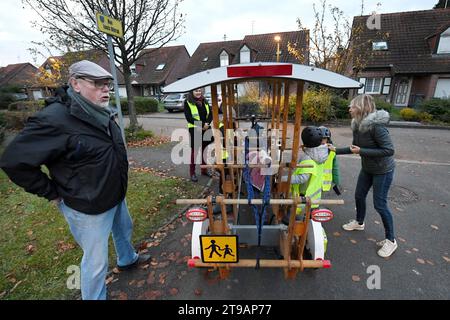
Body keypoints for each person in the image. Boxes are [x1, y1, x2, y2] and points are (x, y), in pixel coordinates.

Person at [0, 60, 150, 300]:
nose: (106, 90)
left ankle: (127, 259)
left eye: (108, 85)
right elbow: (14, 161)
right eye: (98, 84)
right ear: (75, 84)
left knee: (124, 229)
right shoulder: (53, 120)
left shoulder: (98, 110)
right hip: (87, 207)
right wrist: (51, 192)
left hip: (114, 193)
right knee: (96, 262)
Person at [329, 94, 397, 258]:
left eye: (352, 106)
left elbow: (389, 150)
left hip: (383, 170)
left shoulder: (377, 127)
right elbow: (355, 147)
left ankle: (391, 240)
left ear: (360, 108)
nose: (349, 109)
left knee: (380, 205)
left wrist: (362, 151)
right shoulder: (357, 125)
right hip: (367, 168)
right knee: (359, 196)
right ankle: (359, 222)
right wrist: (335, 149)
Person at [282, 126, 328, 223]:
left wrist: (283, 178)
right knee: (309, 221)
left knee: (289, 220)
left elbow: (302, 178)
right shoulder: (321, 152)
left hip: (303, 197)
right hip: (315, 196)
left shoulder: (308, 158)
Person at [184, 88, 213, 182]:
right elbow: (189, 118)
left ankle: (204, 170)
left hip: (206, 128)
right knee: (195, 152)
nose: (198, 92)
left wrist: (207, 124)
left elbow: (210, 114)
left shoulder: (205, 100)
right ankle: (192, 173)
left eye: (199, 91)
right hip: (195, 129)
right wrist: (201, 125)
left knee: (205, 150)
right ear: (192, 92)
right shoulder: (188, 102)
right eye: (196, 91)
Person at [319, 126, 341, 195]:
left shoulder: (332, 152)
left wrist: (336, 182)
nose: (323, 141)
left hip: (324, 183)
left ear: (328, 139)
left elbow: (335, 167)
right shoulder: (313, 150)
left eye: (325, 138)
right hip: (314, 181)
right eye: (321, 139)